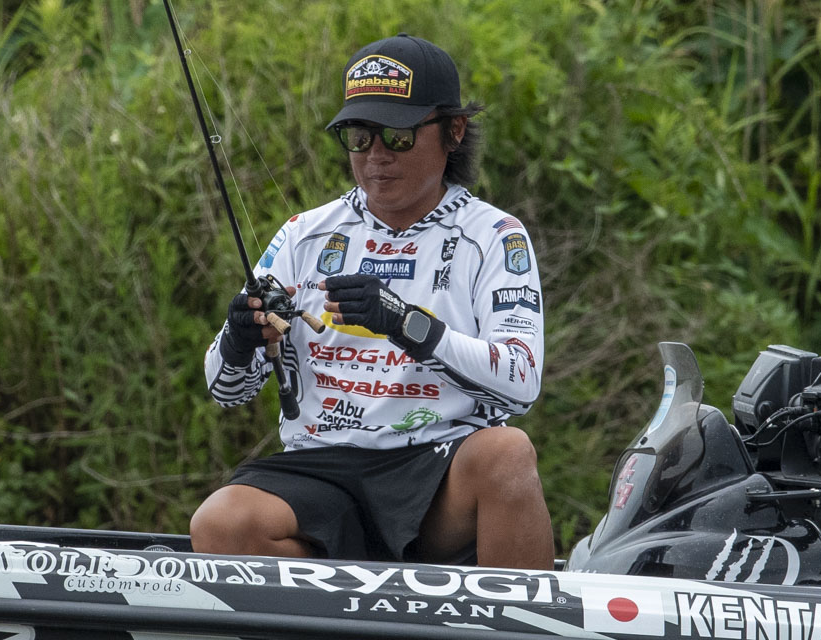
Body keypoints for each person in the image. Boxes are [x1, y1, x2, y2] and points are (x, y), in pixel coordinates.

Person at [192, 33, 553, 569]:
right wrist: (239, 339)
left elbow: (521, 383)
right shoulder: (303, 235)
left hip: (437, 469)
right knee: (218, 523)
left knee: (508, 452)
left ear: (453, 131)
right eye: (359, 137)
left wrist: (405, 323)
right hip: (322, 469)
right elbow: (226, 390)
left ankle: (519, 612)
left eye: (398, 137)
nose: (376, 156)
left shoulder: (495, 235)